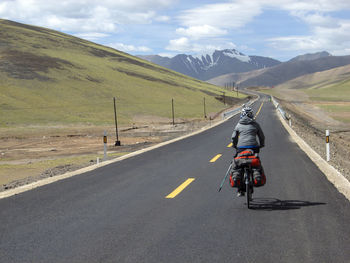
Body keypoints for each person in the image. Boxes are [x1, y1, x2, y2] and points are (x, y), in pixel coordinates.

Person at [230, 105, 265, 196]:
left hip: (241, 148)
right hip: (254, 147)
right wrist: (261, 145)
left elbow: (233, 137)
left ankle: (240, 190)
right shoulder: (255, 124)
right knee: (255, 163)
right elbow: (261, 136)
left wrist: (235, 145)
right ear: (251, 115)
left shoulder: (238, 124)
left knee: (239, 165)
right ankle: (255, 175)